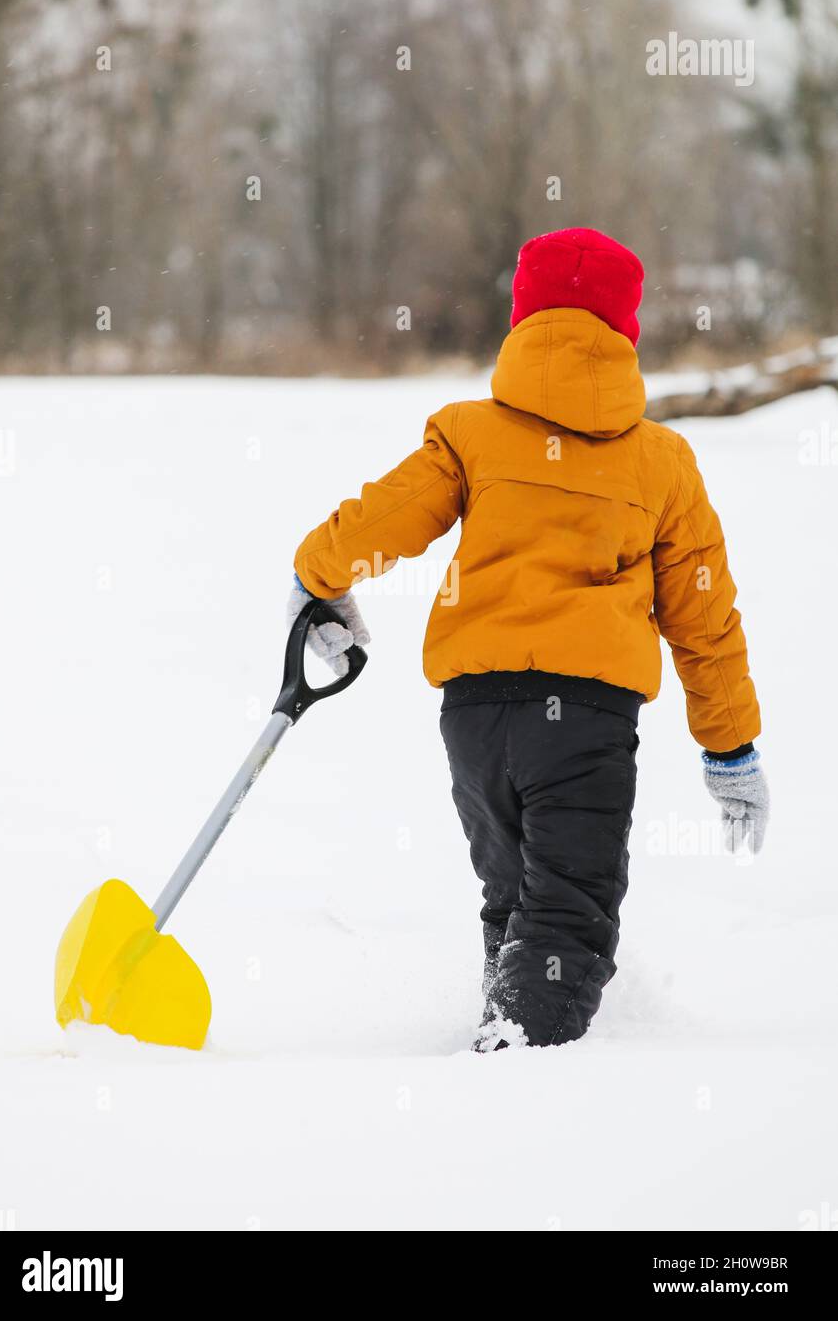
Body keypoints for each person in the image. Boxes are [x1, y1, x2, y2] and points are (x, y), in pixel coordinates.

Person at [287, 227, 768, 1051]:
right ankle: (519, 1058)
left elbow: (387, 519)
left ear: (521, 322)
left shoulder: (471, 432)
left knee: (515, 899)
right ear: (625, 334)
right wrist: (730, 747)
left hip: (475, 716)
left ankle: (504, 1032)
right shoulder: (663, 460)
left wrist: (318, 575)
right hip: (584, 721)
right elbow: (702, 613)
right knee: (568, 910)